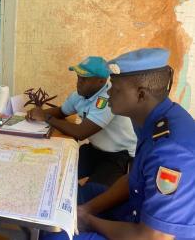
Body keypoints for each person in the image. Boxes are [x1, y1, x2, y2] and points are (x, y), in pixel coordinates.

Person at [42, 48, 195, 240]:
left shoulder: (171, 152)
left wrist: (89, 220)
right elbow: (133, 179)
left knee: (54, 236)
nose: (109, 92)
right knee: (68, 197)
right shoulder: (151, 119)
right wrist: (86, 209)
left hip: (145, 232)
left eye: (115, 87)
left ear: (141, 95)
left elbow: (151, 237)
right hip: (135, 209)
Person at [26, 56, 137, 186]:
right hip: (95, 150)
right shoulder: (80, 94)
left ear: (101, 81)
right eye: (78, 77)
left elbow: (81, 132)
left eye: (84, 79)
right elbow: (61, 111)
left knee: (91, 194)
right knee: (56, 170)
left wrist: (46, 117)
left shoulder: (107, 98)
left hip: (118, 155)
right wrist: (37, 113)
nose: (79, 82)